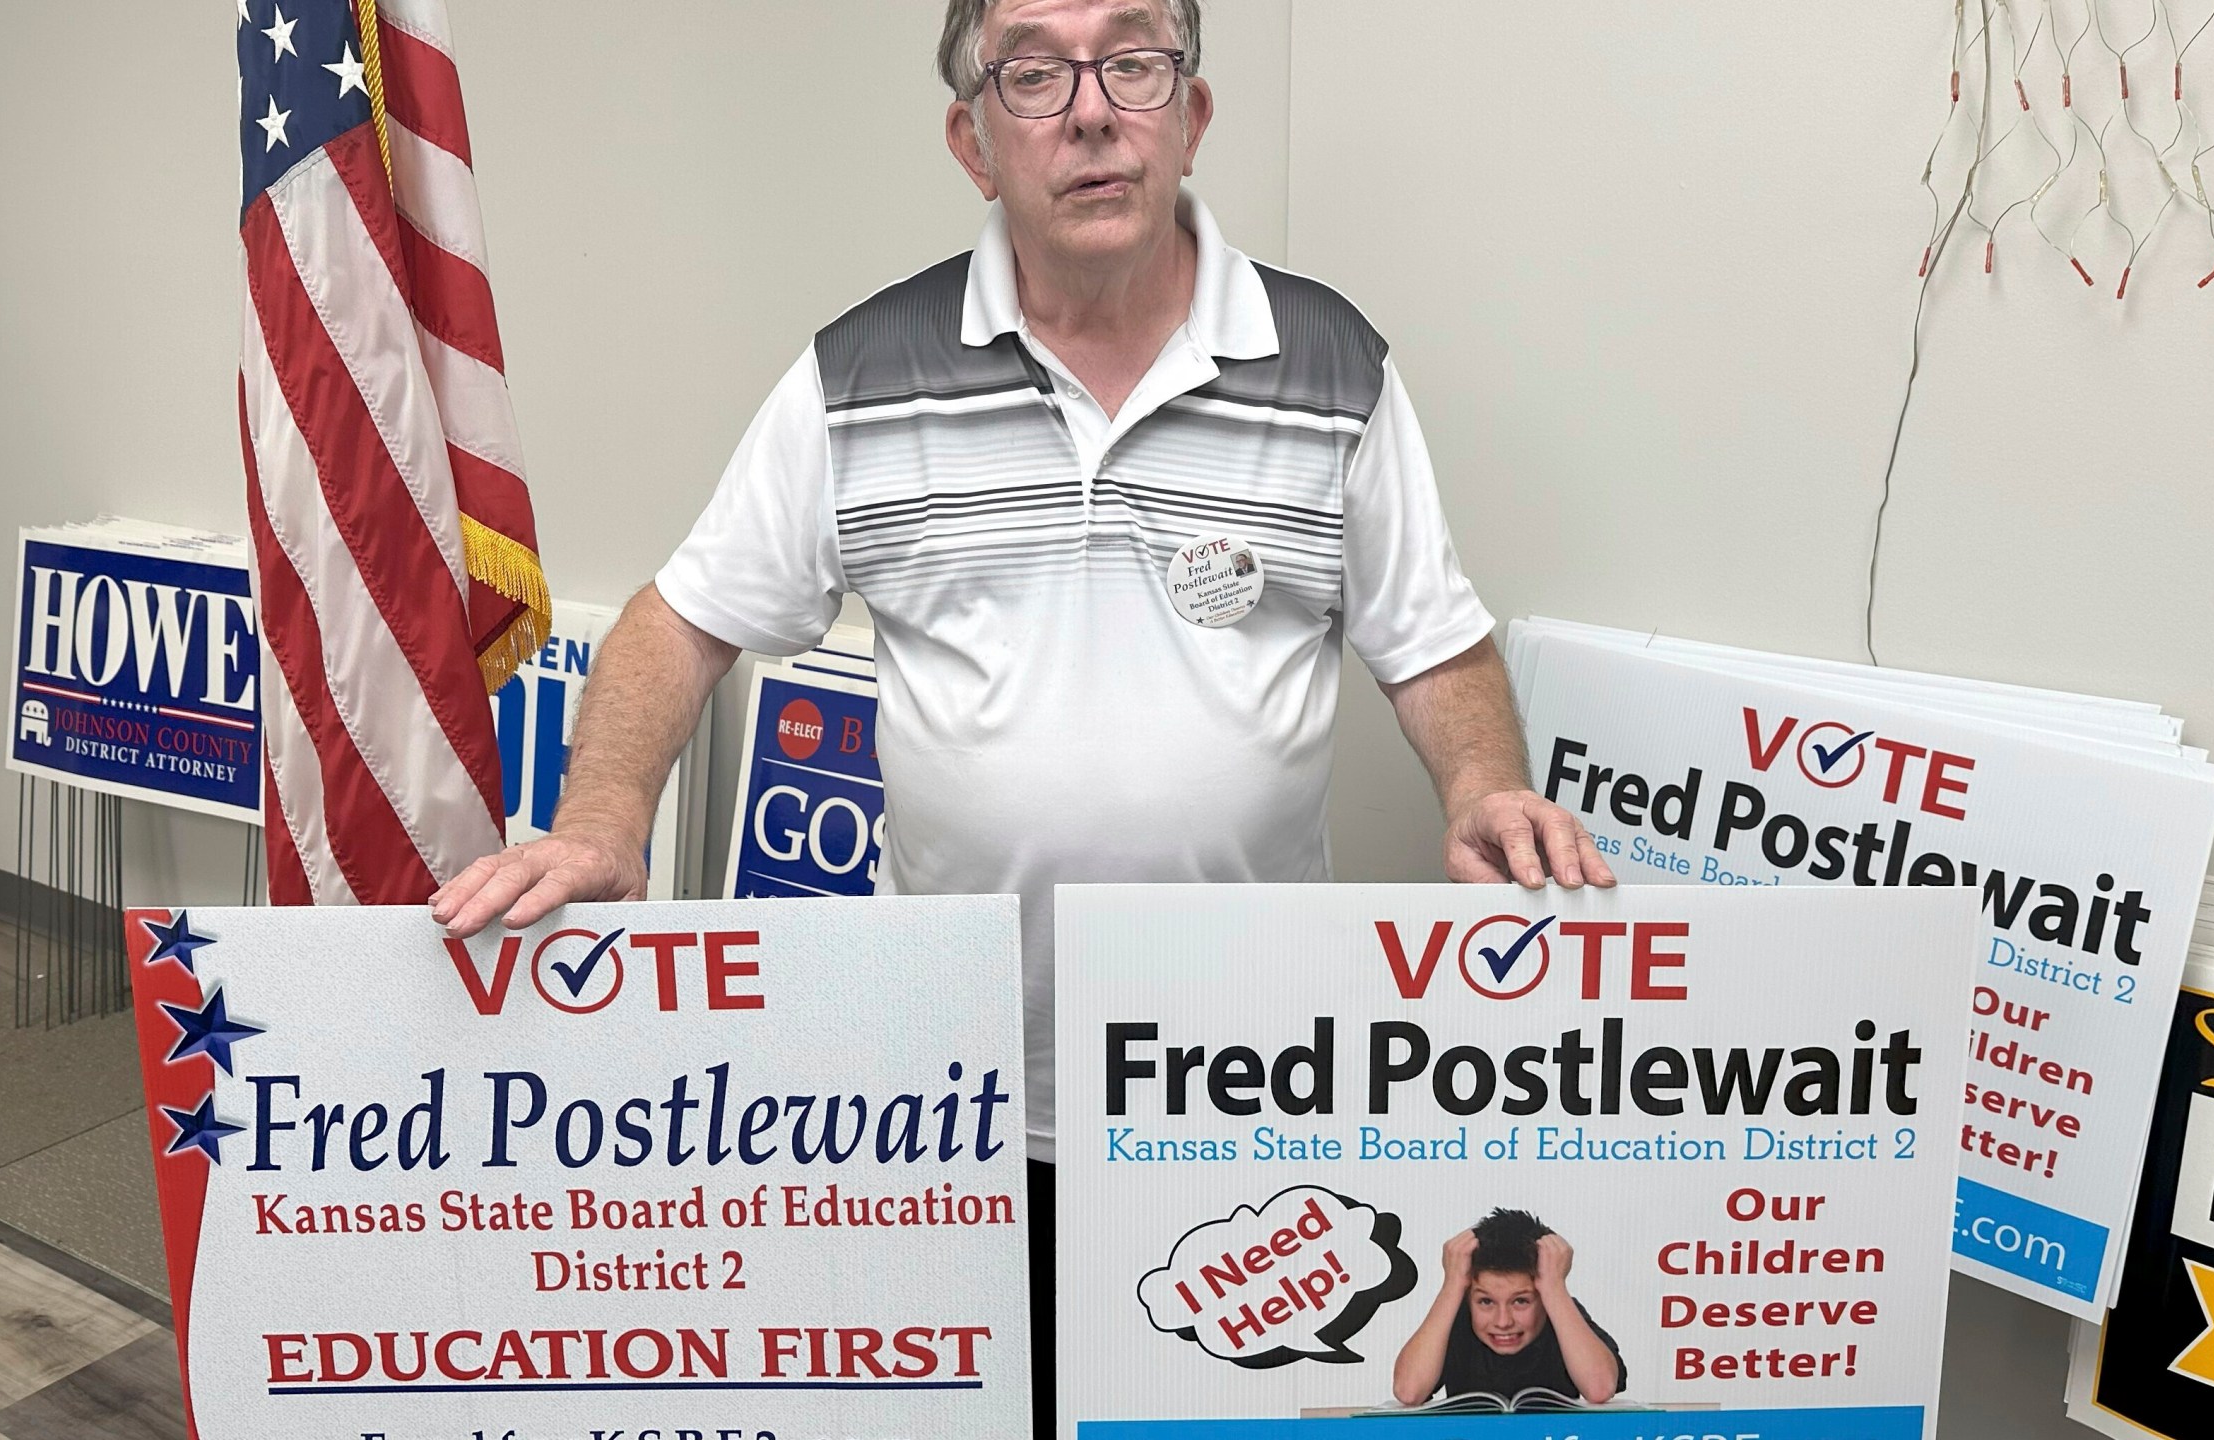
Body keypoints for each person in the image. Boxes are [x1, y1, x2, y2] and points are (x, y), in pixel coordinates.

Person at [428, 0, 1615, 1429]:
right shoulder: (859, 376)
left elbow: (1437, 644)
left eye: (1134, 59)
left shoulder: (1331, 367)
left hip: (1243, 1097)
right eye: (1034, 73)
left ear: (1193, 111)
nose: (1094, 109)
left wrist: (1483, 782)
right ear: (972, 139)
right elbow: (684, 620)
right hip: (952, 1090)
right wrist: (605, 819)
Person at [1392, 1209, 1626, 1408]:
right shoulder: (1456, 1315)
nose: (1503, 1322)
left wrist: (1555, 1287)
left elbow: (1599, 1389)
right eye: (1486, 1301)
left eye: (1521, 1301)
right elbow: (1409, 1392)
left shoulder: (1562, 1312)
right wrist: (1453, 1283)